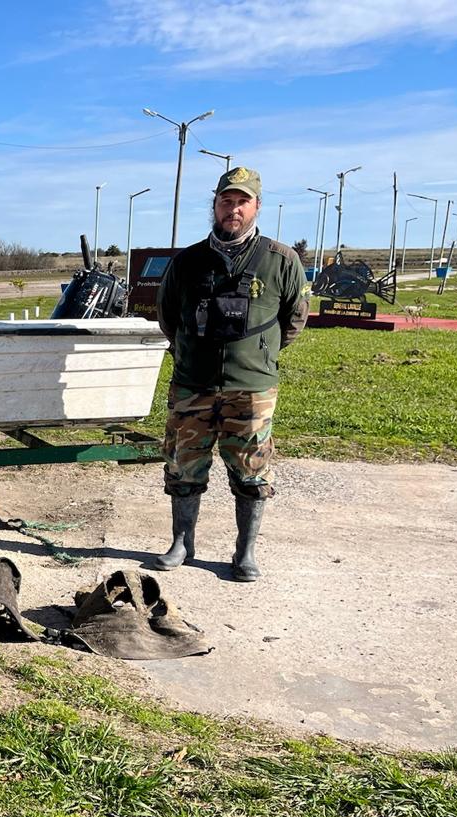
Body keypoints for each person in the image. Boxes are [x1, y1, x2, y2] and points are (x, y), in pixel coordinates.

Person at [149, 167, 309, 581]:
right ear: (215, 205)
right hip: (193, 384)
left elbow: (294, 320)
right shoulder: (187, 261)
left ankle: (245, 552)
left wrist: (258, 355)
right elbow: (168, 317)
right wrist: (191, 351)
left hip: (251, 387)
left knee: (252, 470)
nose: (232, 209)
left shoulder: (280, 260)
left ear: (256, 206)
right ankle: (182, 542)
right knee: (183, 465)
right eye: (226, 201)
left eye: (242, 202)